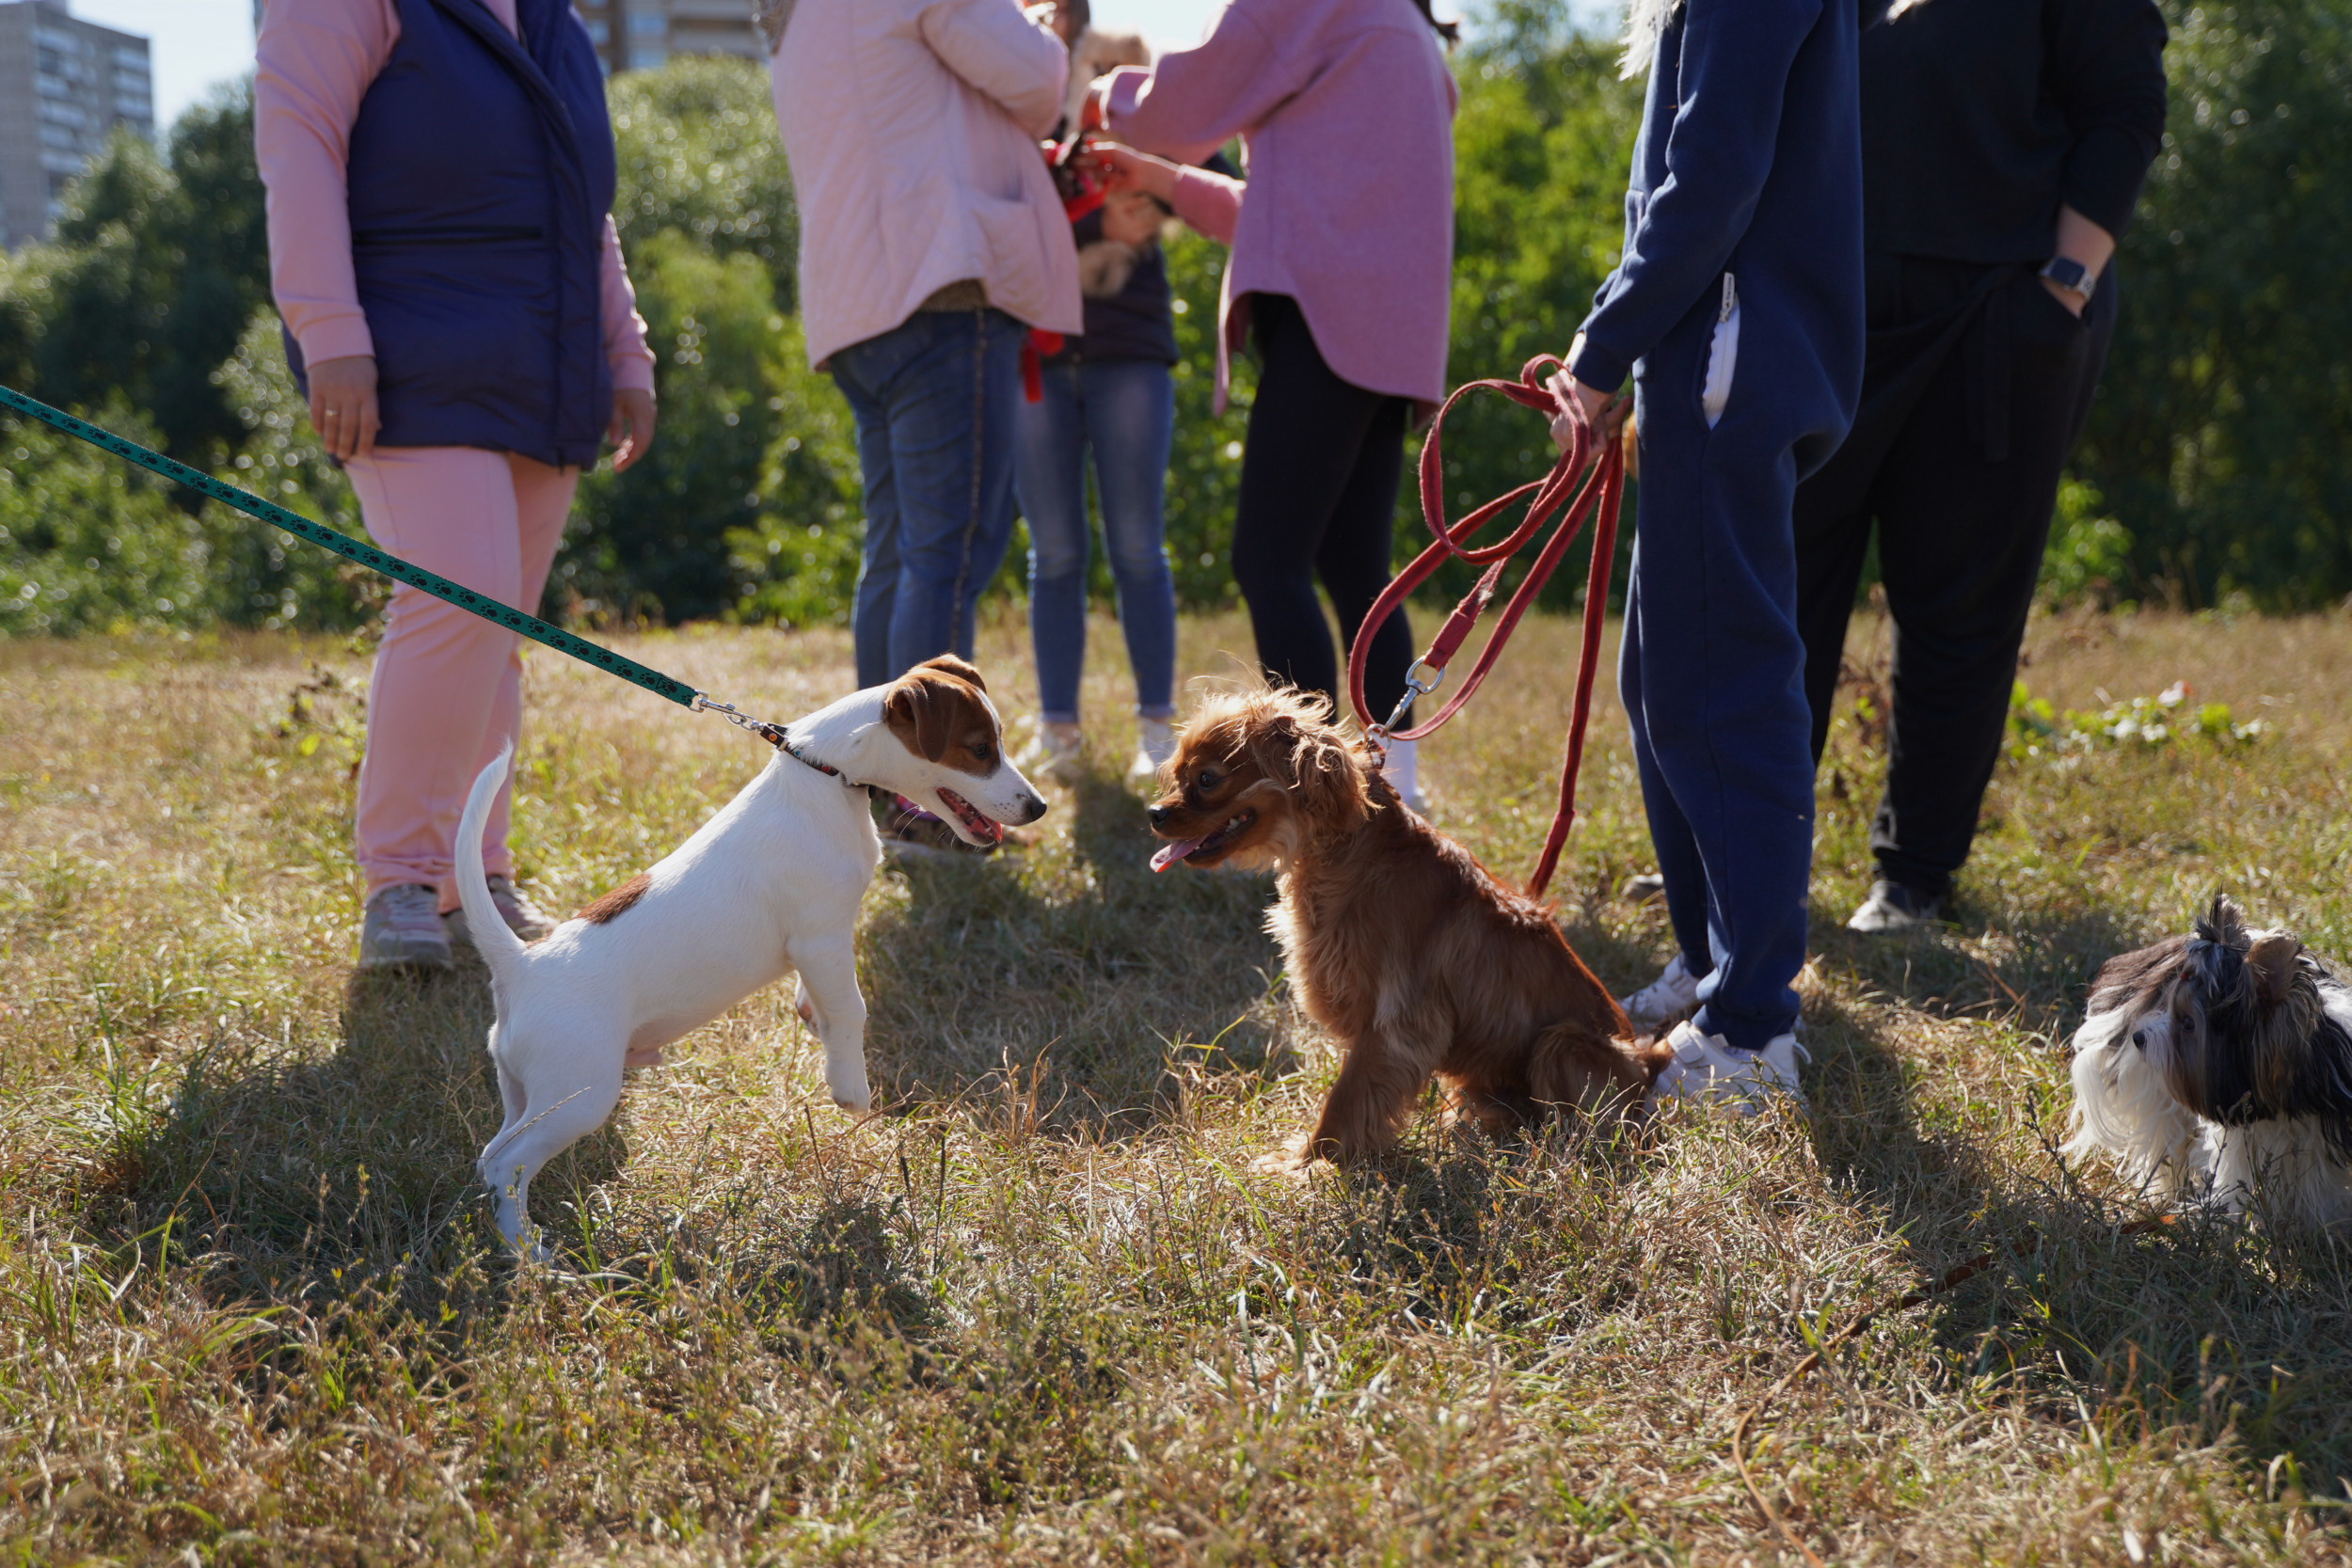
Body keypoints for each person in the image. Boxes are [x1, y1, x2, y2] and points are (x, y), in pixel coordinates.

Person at [257, 0, 659, 971]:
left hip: (545, 366)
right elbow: (297, 146)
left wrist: (626, 351)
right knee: (457, 605)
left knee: (495, 634)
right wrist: (330, 335)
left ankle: (470, 875)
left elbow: (582, 207)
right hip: (406, 355)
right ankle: (398, 876)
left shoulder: (556, 22)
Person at [1550, 0, 1888, 1107]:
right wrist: (1624, 343)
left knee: (1721, 687)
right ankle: (1711, 962)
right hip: (1707, 353)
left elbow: (1714, 171)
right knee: (1661, 679)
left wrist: (1604, 350)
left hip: (1727, 352)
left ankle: (1751, 1031)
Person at [1791, 0, 2167, 933]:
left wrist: (2060, 289)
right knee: (1781, 582)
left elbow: (2124, 106)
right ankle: (1747, 852)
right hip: (1827, 304)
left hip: (2004, 312)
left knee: (1956, 601)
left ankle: (1913, 875)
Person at [1084, 0, 1459, 809]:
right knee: (1355, 565)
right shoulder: (1400, 30)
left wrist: (1106, 96)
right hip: (1392, 328)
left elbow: (1180, 109)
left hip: (1328, 319)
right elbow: (1281, 214)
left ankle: (1316, 801)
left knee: (1270, 559)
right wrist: (1157, 179)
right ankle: (1395, 789)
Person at [767, 0, 1082, 852]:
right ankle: (922, 809)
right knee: (947, 553)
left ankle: (874, 789)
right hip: (937, 296)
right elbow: (1038, 79)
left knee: (898, 553)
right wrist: (1056, 25)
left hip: (856, 307)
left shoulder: (799, 20)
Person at [1015, 2, 1186, 786]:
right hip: (1039, 354)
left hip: (1127, 352)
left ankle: (1159, 731)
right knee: (1053, 554)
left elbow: (1168, 199)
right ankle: (1059, 732)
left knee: (1137, 548)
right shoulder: (1018, 102)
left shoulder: (1144, 106)